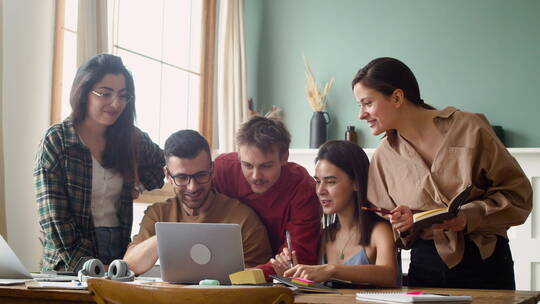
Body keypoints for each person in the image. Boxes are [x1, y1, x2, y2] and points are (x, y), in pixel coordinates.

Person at [351, 57, 532, 289]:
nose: (361, 115)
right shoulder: (383, 157)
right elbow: (386, 226)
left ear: (397, 97)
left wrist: (468, 216)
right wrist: (404, 222)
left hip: (484, 260)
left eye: (367, 103)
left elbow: (518, 194)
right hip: (425, 268)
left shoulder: (470, 128)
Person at [34, 54, 165, 272]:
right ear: (84, 92)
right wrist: (91, 268)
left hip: (118, 252)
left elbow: (164, 165)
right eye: (105, 94)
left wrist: (138, 183)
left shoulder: (131, 138)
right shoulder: (58, 140)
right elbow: (54, 221)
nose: (116, 104)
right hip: (67, 261)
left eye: (123, 96)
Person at [124, 130, 272, 275]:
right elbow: (128, 267)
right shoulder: (158, 215)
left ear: (212, 170)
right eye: (182, 177)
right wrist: (165, 237)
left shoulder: (243, 219)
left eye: (201, 175)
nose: (192, 187)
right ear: (168, 175)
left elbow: (261, 282)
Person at [270, 140, 399, 287]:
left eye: (330, 182)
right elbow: (315, 288)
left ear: (356, 182)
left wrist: (331, 270)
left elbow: (389, 275)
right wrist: (289, 274)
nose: (320, 191)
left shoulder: (379, 231)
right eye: (318, 181)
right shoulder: (325, 236)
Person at [212, 115, 322, 280]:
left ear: (284, 157)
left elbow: (300, 259)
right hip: (224, 266)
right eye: (247, 165)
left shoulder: (303, 188)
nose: (256, 176)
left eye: (266, 166)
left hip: (275, 279)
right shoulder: (222, 170)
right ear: (239, 156)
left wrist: (238, 277)